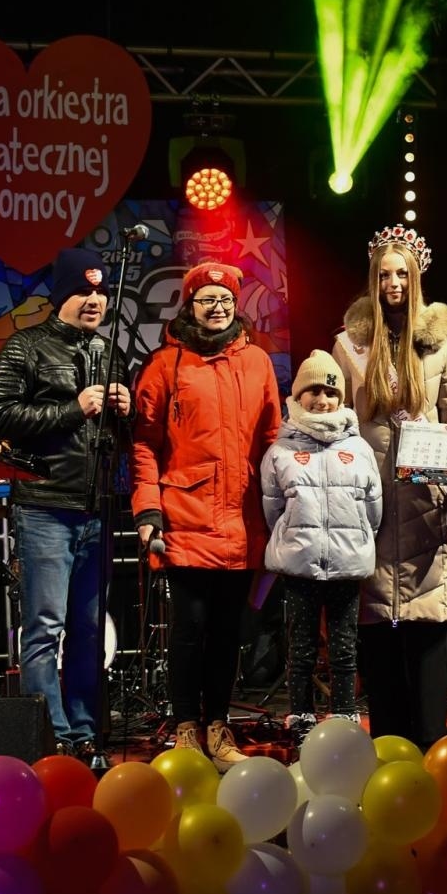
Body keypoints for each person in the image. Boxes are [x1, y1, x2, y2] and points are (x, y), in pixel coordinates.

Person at [332, 224, 447, 750]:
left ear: (417, 277)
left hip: (429, 507)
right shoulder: (349, 345)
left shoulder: (443, 343)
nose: (394, 283)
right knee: (379, 642)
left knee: (428, 639)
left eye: (403, 273)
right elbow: (337, 421)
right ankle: (386, 758)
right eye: (385, 274)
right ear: (373, 279)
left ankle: (429, 757)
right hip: (371, 508)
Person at [131, 260, 282, 771]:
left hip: (242, 520)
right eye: (206, 301)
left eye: (224, 301)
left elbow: (272, 439)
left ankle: (218, 724)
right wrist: (148, 508)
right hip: (186, 517)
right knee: (189, 629)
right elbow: (144, 445)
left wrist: (284, 504)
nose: (216, 309)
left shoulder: (258, 362)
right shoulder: (165, 364)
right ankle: (185, 728)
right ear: (189, 306)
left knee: (227, 632)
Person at [0, 245, 131, 761]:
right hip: (45, 505)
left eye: (99, 292)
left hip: (98, 508)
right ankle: (51, 738)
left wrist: (125, 411)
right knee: (45, 627)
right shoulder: (25, 347)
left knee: (90, 633)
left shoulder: (110, 353)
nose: (93, 300)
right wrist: (74, 408)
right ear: (61, 295)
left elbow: (124, 439)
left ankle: (85, 733)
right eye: (82, 291)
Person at [260, 349, 383, 743]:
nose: (322, 400)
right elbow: (272, 508)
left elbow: (373, 509)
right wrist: (297, 539)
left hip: (347, 563)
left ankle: (345, 720)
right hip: (301, 566)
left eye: (330, 392)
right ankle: (301, 721)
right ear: (297, 397)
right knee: (302, 648)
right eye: (312, 391)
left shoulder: (359, 448)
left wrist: (356, 539)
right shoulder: (279, 451)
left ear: (341, 399)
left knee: (345, 649)